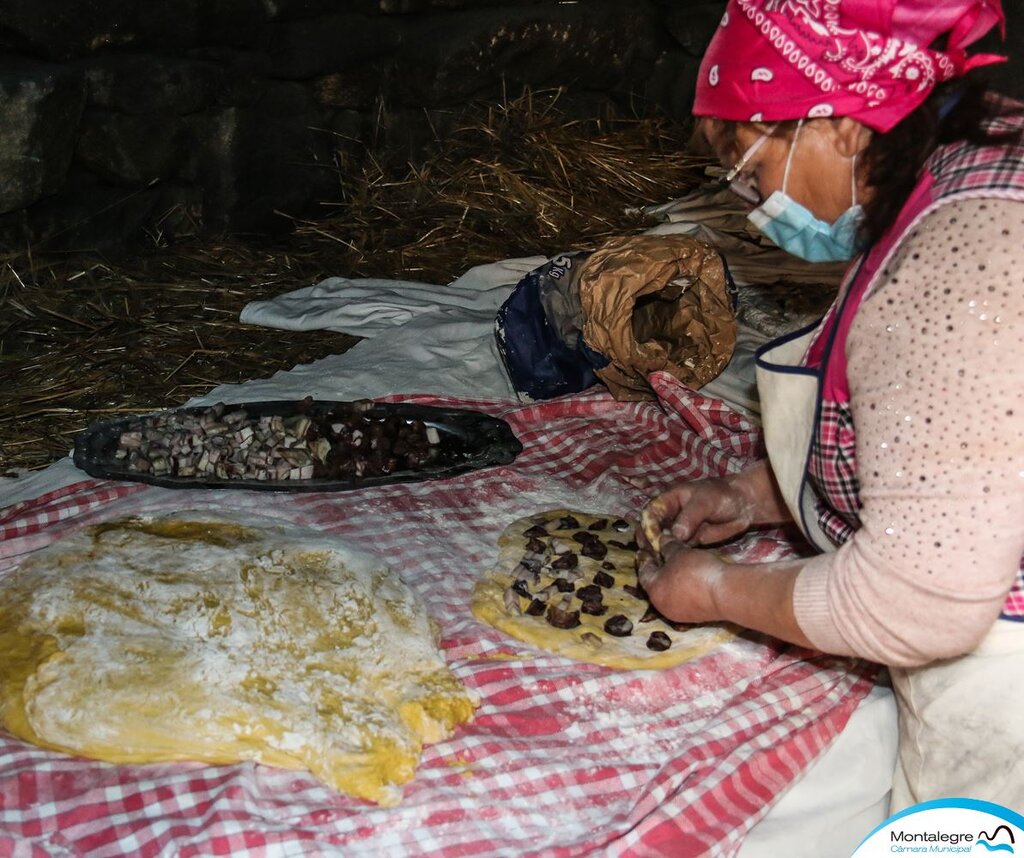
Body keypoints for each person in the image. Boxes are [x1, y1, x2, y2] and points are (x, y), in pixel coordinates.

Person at [637, 0, 1024, 811]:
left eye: (750, 166)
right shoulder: (963, 175)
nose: (750, 201)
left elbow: (919, 603)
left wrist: (714, 590)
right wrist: (752, 495)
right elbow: (956, 450)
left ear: (840, 125)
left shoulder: (955, 265)